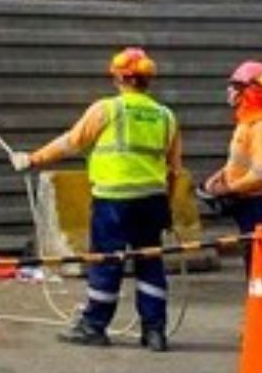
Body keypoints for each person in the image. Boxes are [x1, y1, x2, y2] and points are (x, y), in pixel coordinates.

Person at [10, 47, 182, 351]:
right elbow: (173, 169)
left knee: (106, 262)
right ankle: (155, 332)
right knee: (150, 264)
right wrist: (166, 205)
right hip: (152, 201)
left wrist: (33, 159)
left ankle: (94, 326)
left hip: (113, 201)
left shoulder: (107, 109)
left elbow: (72, 142)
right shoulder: (166, 116)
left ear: (118, 77)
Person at [204, 61, 262, 275]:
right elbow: (240, 161)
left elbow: (261, 173)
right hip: (250, 201)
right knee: (256, 262)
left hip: (261, 204)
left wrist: (230, 188)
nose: (231, 92)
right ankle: (261, 305)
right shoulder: (247, 125)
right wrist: (219, 177)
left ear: (251, 92)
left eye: (236, 86)